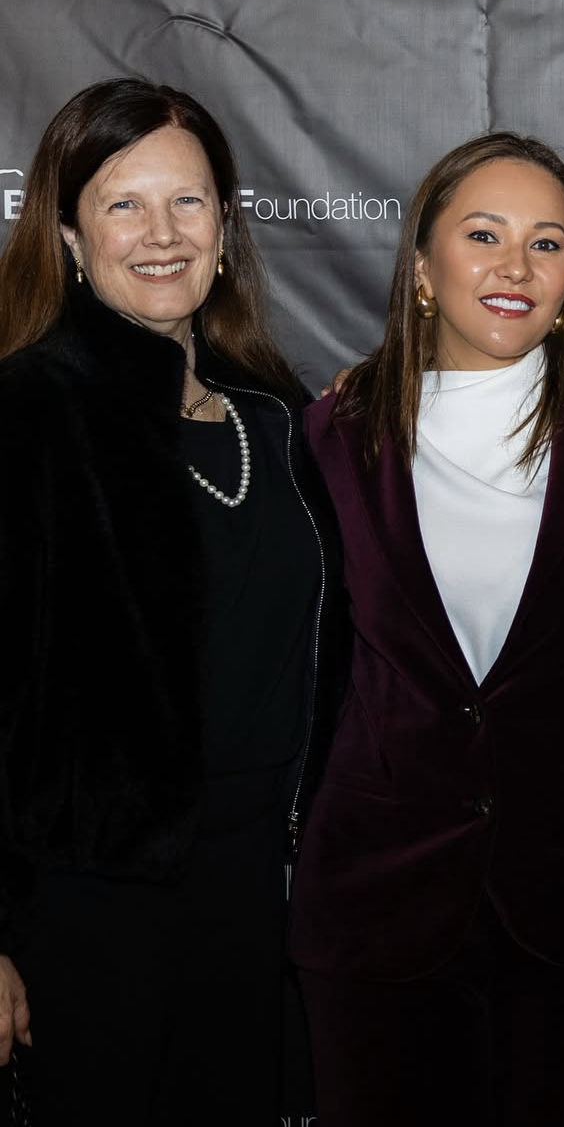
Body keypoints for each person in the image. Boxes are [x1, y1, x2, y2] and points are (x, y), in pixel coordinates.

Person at [288, 132, 564, 1126]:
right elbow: (306, 663)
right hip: (375, 898)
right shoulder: (334, 434)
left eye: (547, 243)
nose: (516, 267)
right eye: (483, 234)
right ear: (423, 270)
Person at [0, 78, 340, 1123]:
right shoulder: (28, 413)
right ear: (67, 234)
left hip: (255, 896)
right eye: (122, 204)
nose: (161, 234)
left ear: (226, 231)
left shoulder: (279, 416)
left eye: (187, 203)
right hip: (85, 910)